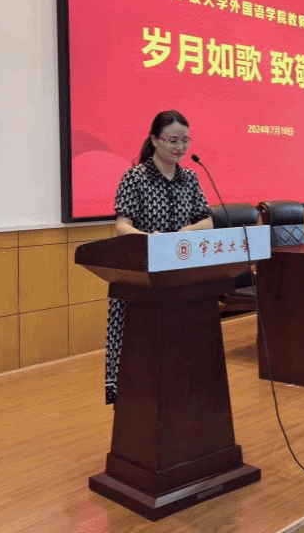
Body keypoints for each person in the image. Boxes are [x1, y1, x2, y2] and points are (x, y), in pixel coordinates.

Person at [104, 110, 213, 404]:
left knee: (179, 352)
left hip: (179, 275)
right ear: (154, 140)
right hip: (141, 274)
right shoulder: (135, 177)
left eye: (185, 140)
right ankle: (135, 403)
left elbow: (207, 221)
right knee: (140, 352)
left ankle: (180, 401)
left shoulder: (189, 178)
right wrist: (149, 240)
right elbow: (122, 225)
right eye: (173, 140)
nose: (180, 147)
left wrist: (186, 231)